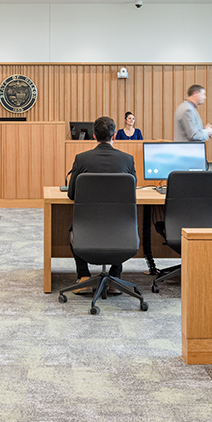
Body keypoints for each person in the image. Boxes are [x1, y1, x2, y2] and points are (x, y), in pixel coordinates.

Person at [67, 116, 137, 291]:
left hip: (87, 226)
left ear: (94, 136)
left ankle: (84, 276)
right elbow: (131, 193)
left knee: (74, 226)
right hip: (120, 226)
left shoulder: (82, 159)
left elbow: (72, 194)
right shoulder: (127, 160)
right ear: (114, 136)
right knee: (124, 224)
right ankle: (115, 276)